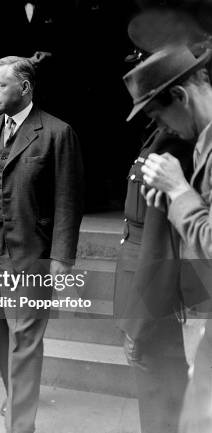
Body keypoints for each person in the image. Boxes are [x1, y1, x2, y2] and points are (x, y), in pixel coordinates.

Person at [0, 56, 83, 432]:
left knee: (27, 336)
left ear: (25, 87)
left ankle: (20, 425)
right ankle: (15, 391)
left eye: (0, 85)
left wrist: (62, 257)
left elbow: (68, 200)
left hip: (33, 248)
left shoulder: (57, 132)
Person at [123, 45, 212, 433]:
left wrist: (178, 192)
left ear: (180, 95)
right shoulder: (203, 141)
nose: (165, 131)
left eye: (160, 116)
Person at [114, 118, 192, 433]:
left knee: (159, 398)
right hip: (142, 284)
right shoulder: (159, 138)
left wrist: (138, 324)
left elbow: (159, 246)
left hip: (155, 297)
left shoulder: (175, 149)